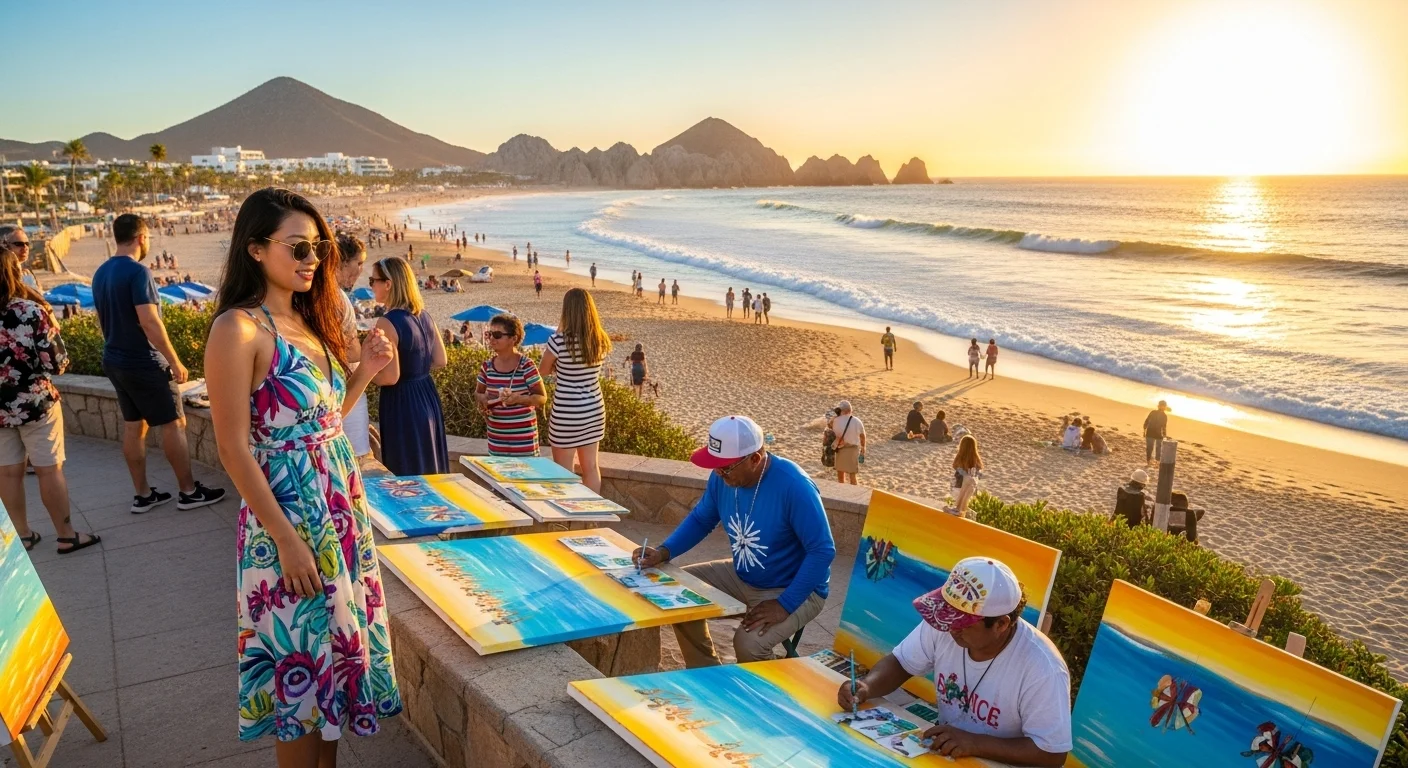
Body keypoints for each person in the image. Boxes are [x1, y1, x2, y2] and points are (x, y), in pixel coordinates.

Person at [205, 188, 402, 761]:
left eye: (318, 247)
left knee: (331, 685)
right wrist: (287, 543)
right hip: (288, 526)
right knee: (302, 688)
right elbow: (234, 448)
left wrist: (363, 372)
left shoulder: (304, 321)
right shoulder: (238, 329)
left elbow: (318, 426)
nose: (312, 258)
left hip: (339, 518)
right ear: (256, 250)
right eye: (297, 246)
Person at [635, 415, 835, 666]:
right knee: (675, 592)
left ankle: (775, 690)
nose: (718, 473)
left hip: (794, 587)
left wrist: (785, 604)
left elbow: (822, 550)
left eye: (725, 467)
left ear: (754, 459)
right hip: (744, 575)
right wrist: (664, 551)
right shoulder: (722, 478)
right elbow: (701, 519)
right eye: (715, 465)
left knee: (749, 645)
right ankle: (707, 673)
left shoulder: (794, 486)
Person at [837, 557, 1071, 766]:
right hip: (947, 755)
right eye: (949, 616)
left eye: (962, 623)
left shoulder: (1043, 668)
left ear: (1001, 625)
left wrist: (976, 743)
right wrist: (867, 686)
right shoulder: (946, 623)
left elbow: (1051, 754)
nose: (950, 629)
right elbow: (901, 663)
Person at [91, 213, 225, 512]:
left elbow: (102, 319)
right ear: (141, 238)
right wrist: (174, 360)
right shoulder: (139, 272)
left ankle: (142, 494)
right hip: (144, 361)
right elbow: (150, 321)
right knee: (173, 424)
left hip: (114, 358)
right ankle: (188, 491)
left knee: (133, 427)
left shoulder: (101, 273)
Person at [0, 227, 99, 555]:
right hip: (36, 403)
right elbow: (56, 363)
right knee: (48, 469)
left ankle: (23, 535)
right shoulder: (30, 312)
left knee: (8, 473)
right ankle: (66, 534)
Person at [370, 256, 449, 475]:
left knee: (406, 466)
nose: (371, 285)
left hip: (402, 400)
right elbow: (441, 360)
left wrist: (363, 371)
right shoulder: (424, 315)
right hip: (426, 394)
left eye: (373, 280)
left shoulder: (387, 322)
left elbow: (389, 377)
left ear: (388, 284)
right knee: (429, 460)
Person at [541, 288, 611, 492]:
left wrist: (557, 362)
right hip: (594, 410)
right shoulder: (600, 340)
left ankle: (568, 517)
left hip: (567, 411)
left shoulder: (559, 341)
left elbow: (543, 370)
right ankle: (591, 517)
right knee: (591, 467)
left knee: (563, 472)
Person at [475, 314, 546, 456]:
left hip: (524, 444)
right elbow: (478, 393)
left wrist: (518, 399)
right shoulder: (487, 366)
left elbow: (541, 398)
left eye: (497, 335)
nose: (491, 339)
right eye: (489, 334)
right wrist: (483, 401)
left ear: (513, 338)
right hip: (497, 443)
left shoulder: (526, 365)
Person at [334, 233, 372, 458]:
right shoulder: (338, 298)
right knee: (356, 459)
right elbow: (351, 353)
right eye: (359, 263)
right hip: (346, 390)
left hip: (332, 394)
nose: (360, 271)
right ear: (341, 262)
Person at [831, 400, 866, 485]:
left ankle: (842, 492)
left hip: (840, 449)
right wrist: (863, 448)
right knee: (852, 474)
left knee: (840, 474)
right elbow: (862, 436)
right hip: (852, 449)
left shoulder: (835, 421)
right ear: (850, 410)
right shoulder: (857, 421)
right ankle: (853, 493)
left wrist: (835, 417)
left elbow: (831, 431)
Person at [951, 434, 983, 517]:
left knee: (967, 480)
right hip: (970, 489)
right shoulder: (976, 458)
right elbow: (979, 472)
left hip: (958, 488)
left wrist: (965, 474)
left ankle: (958, 509)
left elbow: (955, 466)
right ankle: (961, 510)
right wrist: (973, 476)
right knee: (969, 482)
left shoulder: (960, 457)